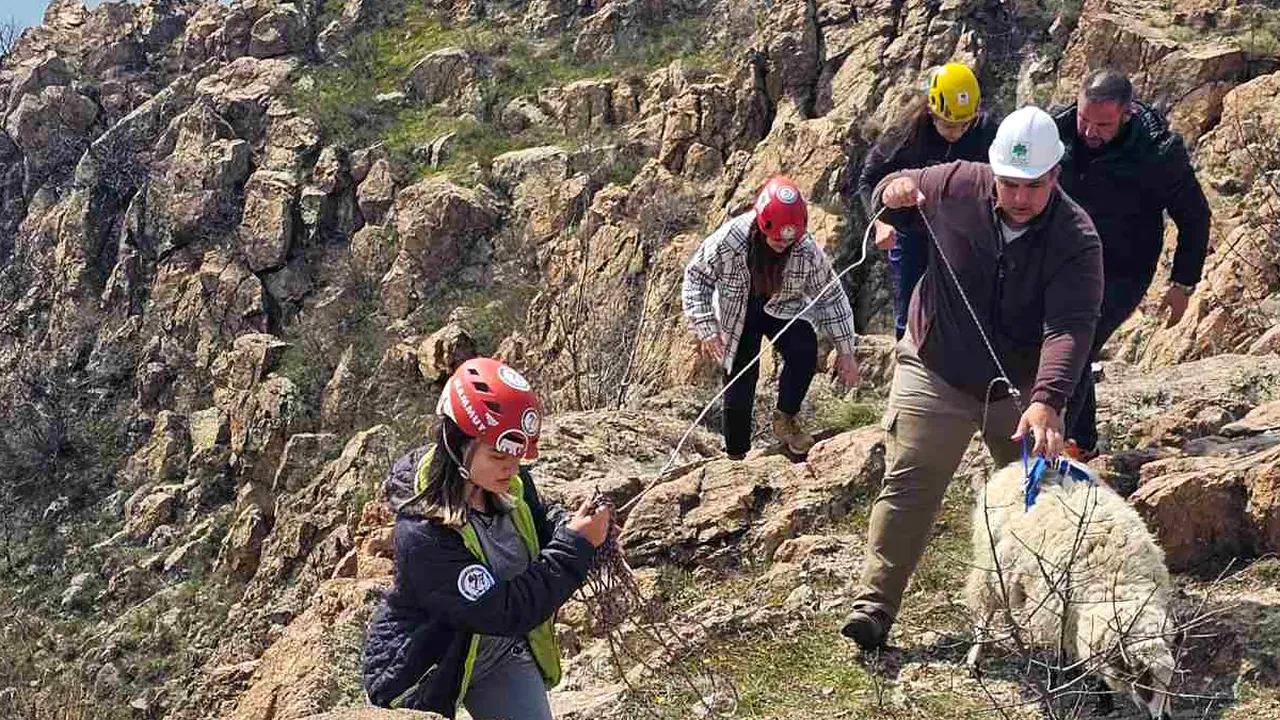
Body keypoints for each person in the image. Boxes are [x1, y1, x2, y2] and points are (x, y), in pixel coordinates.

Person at [840, 106, 1104, 650]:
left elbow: (1069, 328)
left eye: (1033, 186)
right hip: (935, 362)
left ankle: (1056, 622)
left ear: (1055, 176)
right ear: (993, 174)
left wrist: (1049, 401)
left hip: (1021, 390)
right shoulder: (958, 183)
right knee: (910, 481)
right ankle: (874, 606)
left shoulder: (1077, 238)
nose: (1020, 197)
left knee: (1045, 501)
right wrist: (892, 195)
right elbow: (893, 187)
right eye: (1009, 184)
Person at [362, 357, 611, 718]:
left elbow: (539, 524)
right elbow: (502, 609)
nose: (511, 468)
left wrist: (573, 526)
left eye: (517, 457)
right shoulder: (422, 533)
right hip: (430, 664)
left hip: (497, 653)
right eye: (498, 456)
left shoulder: (512, 482)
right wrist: (576, 546)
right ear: (457, 443)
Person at [1054, 69, 1212, 460]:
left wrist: (1182, 283)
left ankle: (1072, 443)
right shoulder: (1056, 128)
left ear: (1126, 115)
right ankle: (1076, 435)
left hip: (1123, 268)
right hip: (1065, 257)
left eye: (1103, 124)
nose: (1089, 132)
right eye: (1084, 119)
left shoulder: (1157, 152)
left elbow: (1194, 216)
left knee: (1077, 341)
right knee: (1058, 339)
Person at [682, 175, 861, 459]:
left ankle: (785, 419)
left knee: (803, 347)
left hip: (782, 305)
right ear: (762, 224)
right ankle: (736, 454)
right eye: (776, 238)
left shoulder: (805, 249)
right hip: (737, 308)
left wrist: (846, 351)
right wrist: (706, 326)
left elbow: (831, 296)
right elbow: (696, 276)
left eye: (789, 240)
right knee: (741, 375)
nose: (782, 244)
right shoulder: (732, 238)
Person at [858, 62, 999, 339]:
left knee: (967, 312)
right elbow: (868, 179)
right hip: (913, 229)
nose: (956, 132)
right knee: (910, 313)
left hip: (962, 231)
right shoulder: (908, 131)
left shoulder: (987, 131)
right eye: (948, 125)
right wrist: (879, 224)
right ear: (932, 111)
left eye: (963, 125)